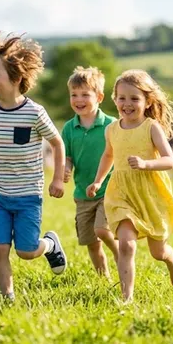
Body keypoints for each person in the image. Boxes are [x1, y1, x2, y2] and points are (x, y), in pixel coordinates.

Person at [0, 33, 68, 302]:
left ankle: (50, 244)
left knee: (27, 251)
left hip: (28, 195)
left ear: (16, 78)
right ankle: (8, 296)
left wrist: (57, 180)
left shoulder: (34, 112)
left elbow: (57, 144)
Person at [87, 69, 173, 303]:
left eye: (134, 98)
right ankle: (127, 298)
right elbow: (108, 156)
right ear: (114, 99)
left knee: (157, 252)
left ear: (147, 101)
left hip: (150, 194)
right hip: (121, 193)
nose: (127, 104)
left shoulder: (151, 127)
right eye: (122, 98)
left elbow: (169, 160)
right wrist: (99, 180)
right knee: (126, 246)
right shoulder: (111, 129)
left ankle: (172, 261)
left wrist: (146, 163)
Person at [60, 66, 120, 279]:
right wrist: (66, 169)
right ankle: (104, 279)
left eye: (85, 94)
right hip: (82, 193)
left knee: (102, 230)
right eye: (74, 95)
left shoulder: (112, 125)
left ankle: (121, 256)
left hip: (109, 190)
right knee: (92, 244)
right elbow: (66, 156)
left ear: (100, 97)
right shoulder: (68, 128)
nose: (79, 99)